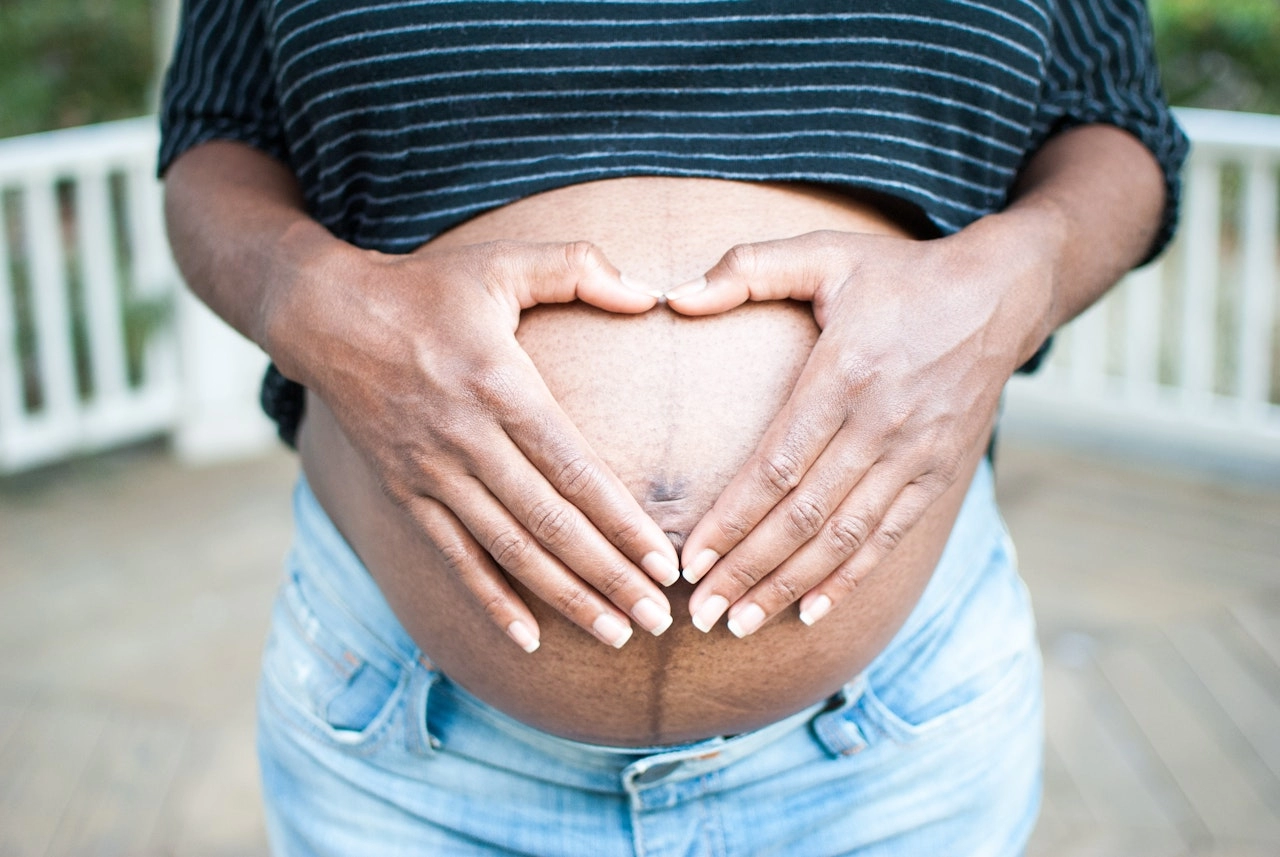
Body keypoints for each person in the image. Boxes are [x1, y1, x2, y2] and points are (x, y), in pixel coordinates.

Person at [159, 1, 1187, 854]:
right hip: (408, 742)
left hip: (888, 736)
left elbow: (1112, 118)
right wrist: (307, 293)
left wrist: (1023, 273)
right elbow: (215, 132)